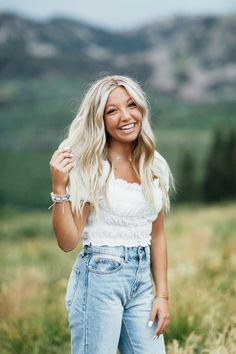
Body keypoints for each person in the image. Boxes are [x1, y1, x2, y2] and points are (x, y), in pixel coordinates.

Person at [49, 75, 175, 354]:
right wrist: (59, 187)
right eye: (112, 110)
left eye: (131, 105)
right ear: (100, 119)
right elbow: (68, 241)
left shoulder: (153, 164)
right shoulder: (93, 167)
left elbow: (157, 234)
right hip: (99, 278)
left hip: (141, 282)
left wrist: (162, 294)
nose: (126, 116)